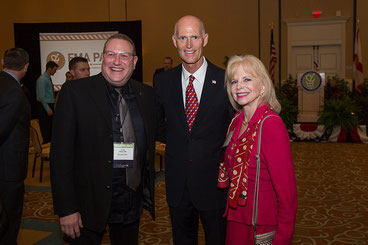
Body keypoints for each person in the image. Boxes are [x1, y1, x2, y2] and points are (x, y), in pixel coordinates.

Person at [50, 33, 158, 245]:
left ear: (134, 61)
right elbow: (60, 156)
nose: (117, 61)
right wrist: (67, 208)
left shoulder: (146, 94)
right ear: (102, 58)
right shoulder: (75, 92)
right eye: (111, 54)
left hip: (129, 201)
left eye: (124, 55)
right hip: (86, 204)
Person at [155, 15, 234, 245]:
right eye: (183, 37)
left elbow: (234, 128)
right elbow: (156, 122)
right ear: (174, 41)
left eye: (194, 37)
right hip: (178, 186)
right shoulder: (163, 81)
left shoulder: (226, 80)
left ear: (205, 39)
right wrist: (176, 142)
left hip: (215, 185)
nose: (189, 45)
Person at [217, 54, 297, 244]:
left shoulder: (270, 125)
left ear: (263, 86)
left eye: (247, 79)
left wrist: (282, 239)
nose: (239, 86)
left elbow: (287, 194)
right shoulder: (236, 122)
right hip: (236, 220)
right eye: (234, 81)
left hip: (260, 226)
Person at [0, 48, 31, 245]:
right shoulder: (14, 92)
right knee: (8, 221)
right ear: (26, 67)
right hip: (8, 167)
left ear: (3, 61)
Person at [36, 61, 58, 143]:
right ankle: (45, 150)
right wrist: (47, 108)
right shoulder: (42, 79)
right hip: (45, 106)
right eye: (54, 70)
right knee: (45, 129)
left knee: (49, 129)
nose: (55, 72)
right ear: (50, 68)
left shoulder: (47, 78)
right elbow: (41, 96)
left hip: (49, 105)